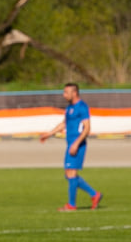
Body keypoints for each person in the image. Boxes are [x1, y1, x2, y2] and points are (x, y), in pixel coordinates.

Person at [39, 83, 103, 212]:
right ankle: (94, 195)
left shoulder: (82, 107)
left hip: (77, 144)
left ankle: (71, 205)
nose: (64, 95)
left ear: (74, 93)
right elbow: (64, 124)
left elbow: (87, 128)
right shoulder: (69, 108)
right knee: (68, 175)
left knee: (71, 173)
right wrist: (49, 133)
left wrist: (77, 143)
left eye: (66, 92)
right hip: (70, 144)